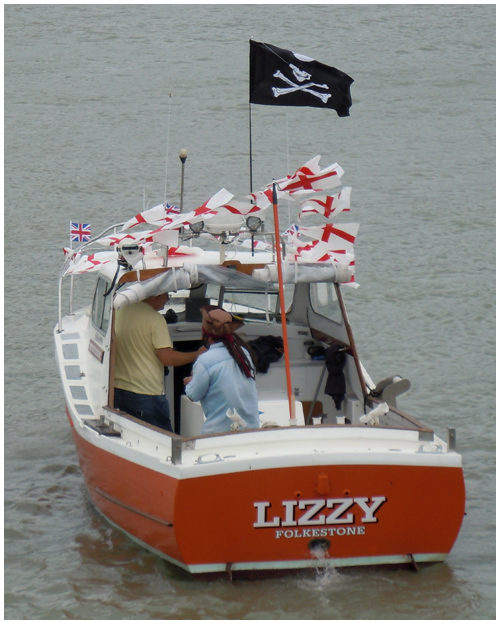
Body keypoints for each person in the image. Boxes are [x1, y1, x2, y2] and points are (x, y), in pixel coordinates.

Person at [114, 292, 205, 432]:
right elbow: (167, 358)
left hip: (118, 391)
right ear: (156, 295)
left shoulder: (120, 311)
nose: (168, 299)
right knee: (165, 440)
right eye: (166, 294)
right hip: (146, 394)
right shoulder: (155, 319)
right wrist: (197, 355)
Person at [183, 305, 260, 434]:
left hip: (218, 432)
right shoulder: (244, 353)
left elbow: (193, 395)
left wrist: (189, 381)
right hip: (250, 430)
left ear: (205, 335)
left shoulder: (205, 361)